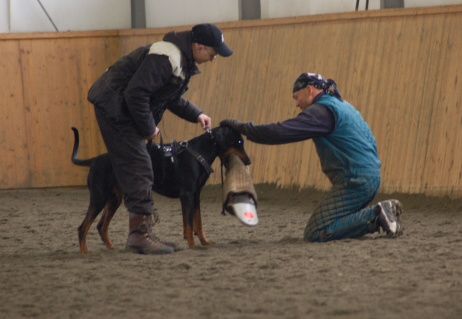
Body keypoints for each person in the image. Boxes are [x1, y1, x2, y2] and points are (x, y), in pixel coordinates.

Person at [87, 23, 233, 254]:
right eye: (213, 54)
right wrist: (148, 128)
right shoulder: (168, 57)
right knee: (139, 167)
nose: (213, 59)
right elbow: (136, 93)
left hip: (122, 106)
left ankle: (142, 232)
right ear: (200, 47)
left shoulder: (179, 59)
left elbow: (169, 97)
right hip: (114, 106)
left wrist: (197, 114)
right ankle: (139, 236)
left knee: (141, 165)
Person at [220, 73, 403, 242]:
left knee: (316, 231)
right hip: (370, 176)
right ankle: (381, 214)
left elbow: (282, 132)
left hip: (355, 180)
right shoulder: (343, 106)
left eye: (296, 97)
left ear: (309, 90)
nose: (296, 104)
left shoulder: (322, 112)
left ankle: (377, 214)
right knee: (335, 221)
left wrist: (244, 128)